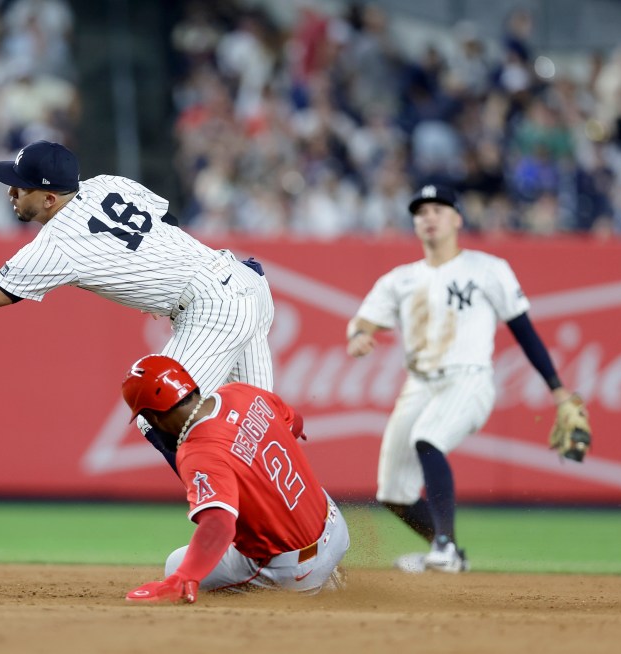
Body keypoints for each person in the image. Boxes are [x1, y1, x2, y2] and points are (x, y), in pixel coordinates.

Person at [0, 140, 276, 471]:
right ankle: (302, 546)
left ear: (50, 198)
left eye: (20, 187)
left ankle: (240, 525)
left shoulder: (56, 243)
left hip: (212, 307)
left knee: (158, 410)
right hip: (244, 282)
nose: (11, 192)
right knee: (264, 432)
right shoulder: (107, 184)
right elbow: (167, 225)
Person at [345, 184, 582, 573]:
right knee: (392, 493)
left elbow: (524, 330)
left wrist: (557, 390)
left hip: (469, 378)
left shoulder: (488, 269)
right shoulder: (400, 279)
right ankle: (451, 551)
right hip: (419, 384)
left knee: (428, 437)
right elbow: (365, 321)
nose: (429, 217)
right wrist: (359, 337)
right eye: (421, 212)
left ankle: (443, 547)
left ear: (457, 218)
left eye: (438, 209)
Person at [120, 354, 350, 603]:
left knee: (176, 563)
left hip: (296, 569)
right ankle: (328, 569)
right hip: (335, 527)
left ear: (152, 418)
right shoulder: (240, 392)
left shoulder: (197, 451)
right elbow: (295, 423)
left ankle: (312, 584)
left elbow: (219, 523)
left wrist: (185, 576)